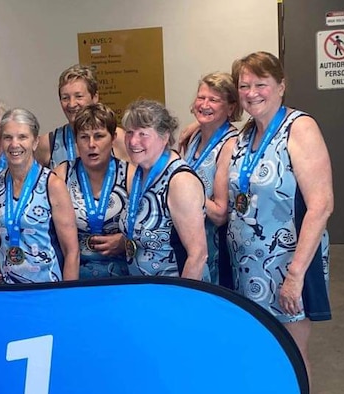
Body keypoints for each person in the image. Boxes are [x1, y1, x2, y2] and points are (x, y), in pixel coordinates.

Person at [225, 51, 333, 371]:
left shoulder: (299, 128)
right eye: (244, 86)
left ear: (281, 86)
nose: (252, 93)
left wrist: (295, 276)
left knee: (292, 356)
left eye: (261, 84)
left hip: (287, 264)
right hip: (247, 268)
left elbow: (322, 204)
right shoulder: (244, 135)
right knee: (261, 352)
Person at [0, 108, 80, 283]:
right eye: (8, 137)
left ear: (35, 142)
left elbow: (71, 251)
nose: (14, 144)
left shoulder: (53, 184)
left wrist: (68, 295)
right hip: (7, 286)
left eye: (22, 137)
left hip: (47, 285)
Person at [119, 99, 209, 280]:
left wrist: (180, 303)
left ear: (165, 136)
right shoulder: (139, 172)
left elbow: (198, 255)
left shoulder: (180, 181)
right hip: (144, 290)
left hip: (174, 293)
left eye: (143, 134)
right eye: (129, 132)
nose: (133, 141)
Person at [53, 103, 130, 278]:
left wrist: (125, 241)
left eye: (99, 136)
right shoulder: (61, 175)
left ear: (113, 138)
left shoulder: (130, 175)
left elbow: (151, 231)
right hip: (76, 271)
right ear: (76, 140)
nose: (91, 144)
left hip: (123, 274)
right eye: (84, 137)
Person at [181, 73, 241, 287]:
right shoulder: (192, 136)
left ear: (231, 108)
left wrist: (181, 193)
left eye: (214, 100)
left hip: (215, 248)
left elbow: (220, 214)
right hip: (189, 241)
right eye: (201, 97)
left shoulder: (230, 145)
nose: (204, 104)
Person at [36, 64, 129, 168]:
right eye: (65, 98)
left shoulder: (118, 138)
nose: (72, 104)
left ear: (95, 97)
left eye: (79, 96)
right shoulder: (48, 143)